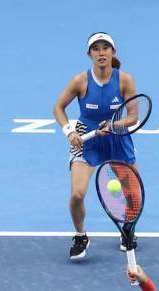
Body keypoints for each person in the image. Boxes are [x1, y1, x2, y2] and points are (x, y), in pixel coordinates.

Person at [52, 32, 138, 261]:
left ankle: (128, 228)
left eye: (105, 48)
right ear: (90, 54)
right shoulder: (80, 81)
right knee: (77, 195)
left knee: (132, 193)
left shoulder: (125, 80)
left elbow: (133, 117)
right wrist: (69, 132)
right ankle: (80, 236)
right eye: (96, 49)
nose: (101, 52)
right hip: (86, 137)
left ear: (113, 52)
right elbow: (58, 108)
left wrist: (113, 124)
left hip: (116, 136)